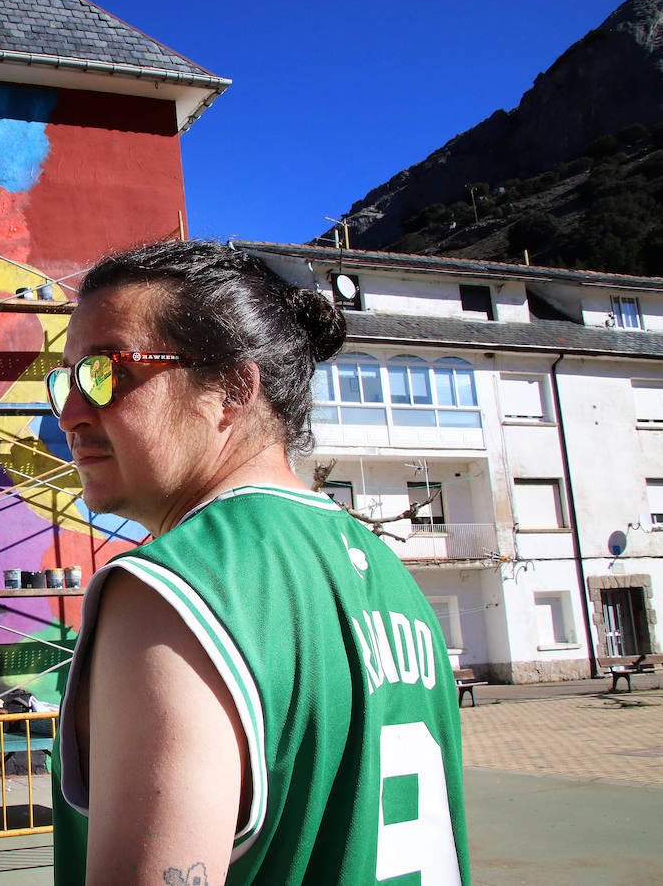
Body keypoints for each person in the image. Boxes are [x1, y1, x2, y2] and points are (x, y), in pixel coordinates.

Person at [48, 240, 469, 885]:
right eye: (67, 380)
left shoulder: (175, 592)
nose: (70, 414)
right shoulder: (392, 577)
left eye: (106, 374)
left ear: (233, 389)